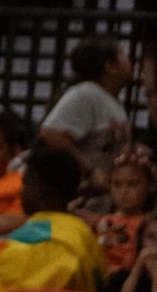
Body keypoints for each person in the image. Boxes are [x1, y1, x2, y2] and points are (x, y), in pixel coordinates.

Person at [0, 147, 107, 292]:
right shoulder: (86, 234)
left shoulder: (29, 237)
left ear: (42, 189)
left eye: (26, 184)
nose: (21, 192)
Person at [39, 36, 132, 186]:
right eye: (122, 55)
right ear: (110, 66)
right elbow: (51, 134)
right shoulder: (87, 93)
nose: (129, 61)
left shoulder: (109, 99)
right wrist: (90, 170)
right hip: (78, 190)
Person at [92, 144, 156, 274]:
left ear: (150, 185)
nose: (124, 191)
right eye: (117, 184)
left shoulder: (149, 226)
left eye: (132, 184)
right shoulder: (102, 222)